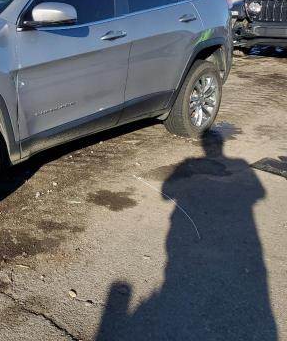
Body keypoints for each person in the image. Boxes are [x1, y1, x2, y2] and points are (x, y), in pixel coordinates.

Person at [96, 131, 277, 341]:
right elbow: (259, 194)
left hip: (206, 232)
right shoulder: (239, 163)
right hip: (243, 228)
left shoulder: (226, 163)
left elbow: (167, 192)